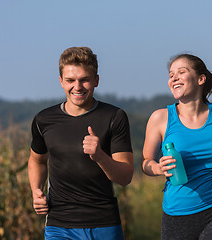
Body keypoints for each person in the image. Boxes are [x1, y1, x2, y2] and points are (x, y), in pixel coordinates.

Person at [28, 47, 133, 240]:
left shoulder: (114, 117)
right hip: (59, 225)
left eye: (84, 79)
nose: (77, 87)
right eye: (70, 80)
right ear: (61, 81)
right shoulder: (43, 120)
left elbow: (125, 177)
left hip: (104, 223)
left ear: (96, 80)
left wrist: (100, 156)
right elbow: (37, 161)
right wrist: (36, 190)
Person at [141, 53, 212, 240]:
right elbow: (146, 162)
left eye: (181, 72)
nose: (173, 77)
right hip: (176, 214)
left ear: (201, 79)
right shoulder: (160, 118)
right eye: (170, 74)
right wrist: (158, 168)